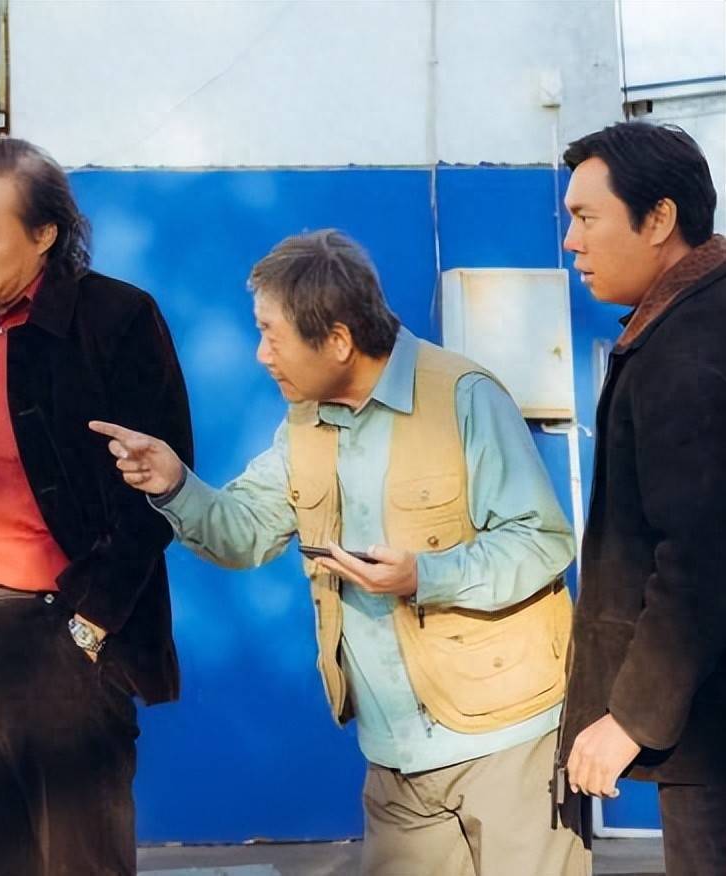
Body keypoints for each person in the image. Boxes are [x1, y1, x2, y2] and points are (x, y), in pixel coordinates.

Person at [91, 229, 587, 875]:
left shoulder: (463, 397)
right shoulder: (303, 422)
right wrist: (175, 485)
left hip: (506, 742)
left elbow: (541, 540)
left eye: (272, 335)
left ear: (338, 340)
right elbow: (244, 533)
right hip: (394, 757)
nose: (261, 355)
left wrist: (425, 575)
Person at [0, 137, 193, 876]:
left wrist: (88, 626)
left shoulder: (117, 319)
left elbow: (159, 490)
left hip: (61, 643)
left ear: (44, 234)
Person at [557, 121, 726, 874]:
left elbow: (703, 555)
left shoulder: (691, 346)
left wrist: (632, 717)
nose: (571, 241)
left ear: (658, 219)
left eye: (586, 217)